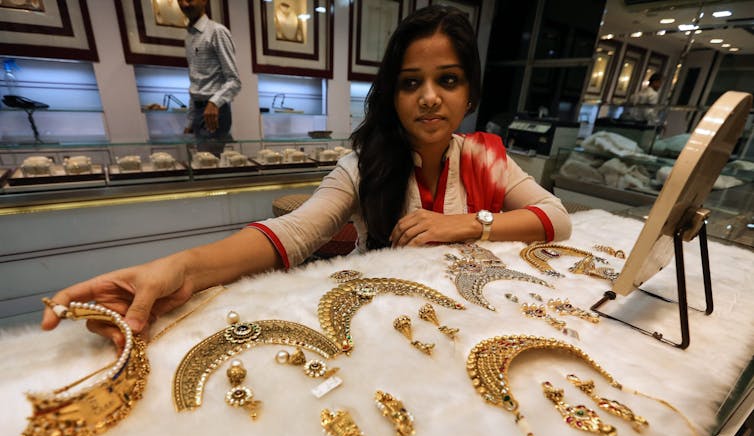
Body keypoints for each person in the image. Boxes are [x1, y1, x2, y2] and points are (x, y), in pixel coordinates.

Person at [41, 5, 571, 347]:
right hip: (387, 331)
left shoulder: (483, 156)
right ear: (392, 93)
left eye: (447, 80)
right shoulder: (364, 165)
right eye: (411, 83)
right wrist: (181, 266)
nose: (429, 97)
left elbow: (555, 218)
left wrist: (467, 226)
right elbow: (291, 236)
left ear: (470, 94)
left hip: (476, 324)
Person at [180, 0, 241, 155]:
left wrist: (214, 103)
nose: (185, 4)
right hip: (199, 111)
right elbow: (196, 81)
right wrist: (191, 119)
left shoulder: (217, 31)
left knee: (208, 167)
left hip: (215, 111)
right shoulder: (189, 37)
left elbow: (234, 81)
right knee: (204, 164)